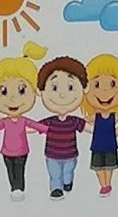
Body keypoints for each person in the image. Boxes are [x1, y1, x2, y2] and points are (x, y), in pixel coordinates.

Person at [0, 42, 49, 201]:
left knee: (19, 169)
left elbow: (37, 126)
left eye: (21, 90)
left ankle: (18, 188)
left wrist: (49, 129)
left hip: (21, 151)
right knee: (10, 170)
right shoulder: (5, 121)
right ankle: (14, 187)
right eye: (4, 91)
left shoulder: (23, 120)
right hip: (6, 152)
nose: (12, 98)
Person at [37, 56, 88, 200]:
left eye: (70, 87)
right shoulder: (50, 121)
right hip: (52, 155)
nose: (62, 95)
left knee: (67, 172)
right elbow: (35, 128)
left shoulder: (74, 121)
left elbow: (87, 128)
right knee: (55, 174)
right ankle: (56, 189)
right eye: (54, 88)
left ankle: (67, 182)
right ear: (41, 92)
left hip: (70, 155)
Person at [82, 54, 118, 197]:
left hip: (110, 146)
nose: (104, 91)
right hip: (97, 146)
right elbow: (83, 121)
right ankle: (103, 185)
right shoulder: (95, 117)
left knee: (109, 167)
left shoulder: (114, 116)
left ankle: (107, 185)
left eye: (112, 84)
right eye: (96, 85)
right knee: (97, 167)